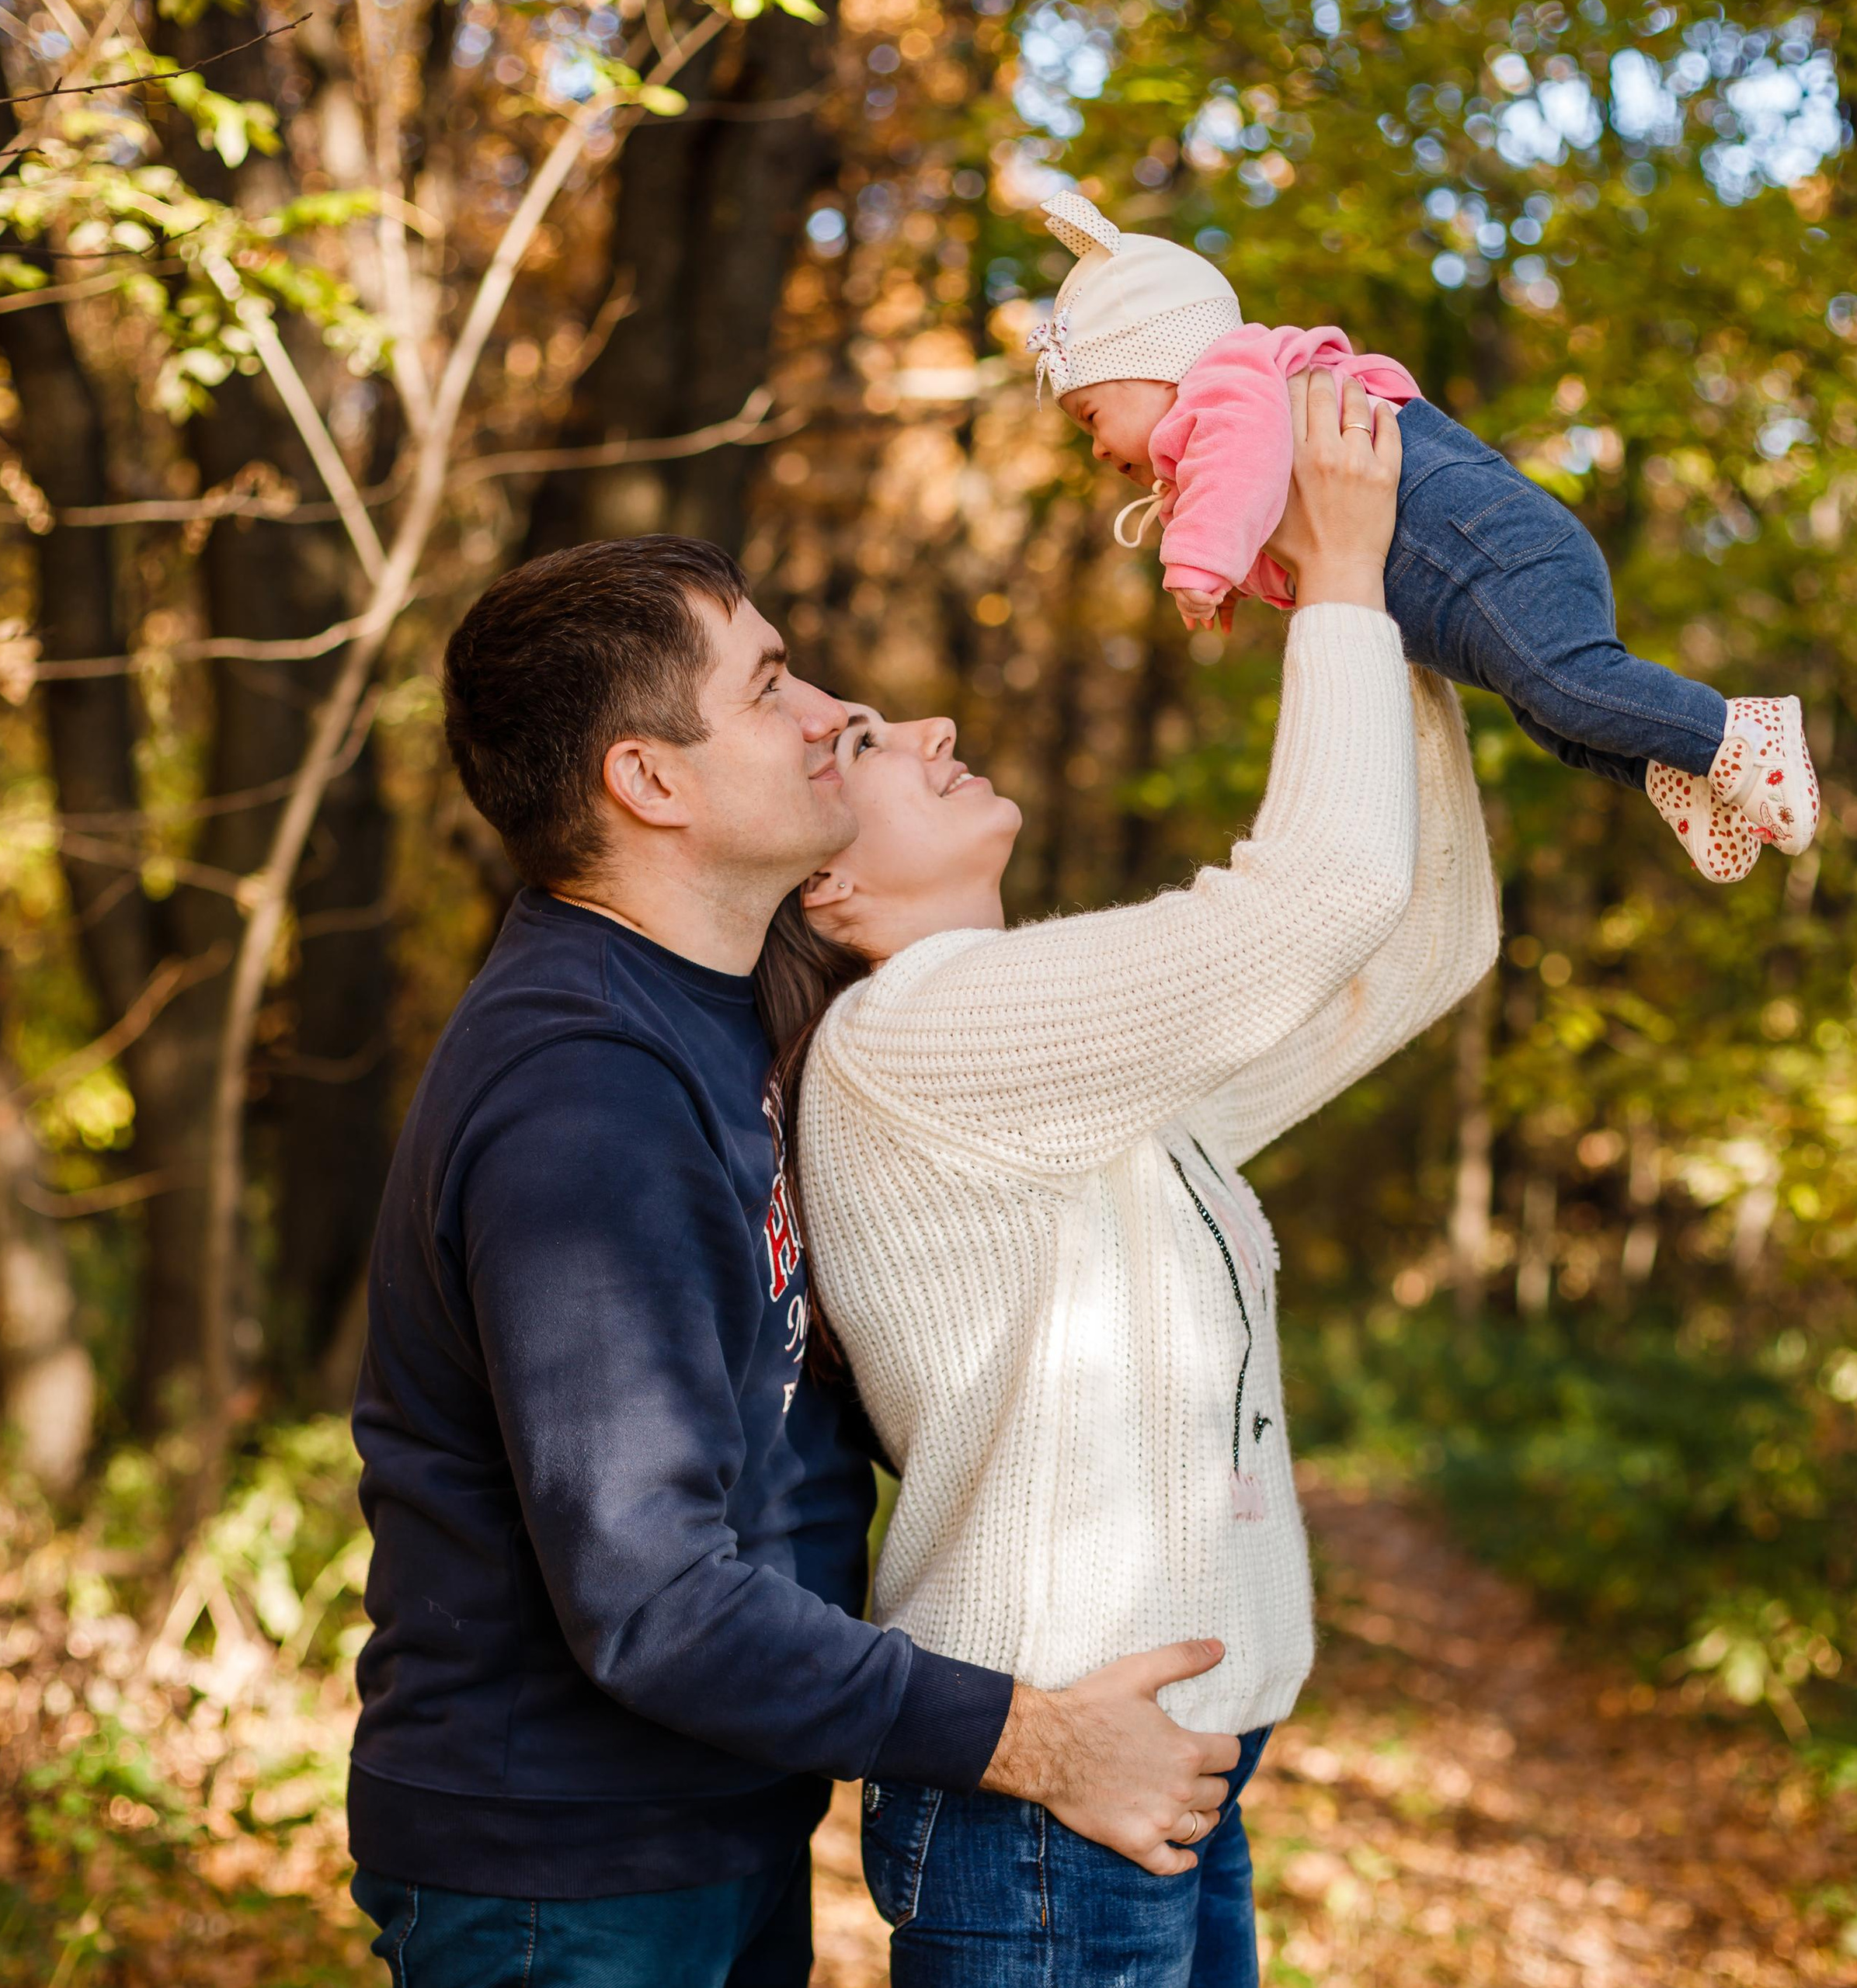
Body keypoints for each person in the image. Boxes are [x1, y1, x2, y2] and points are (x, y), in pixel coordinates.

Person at [346, 535, 1243, 1988]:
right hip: (560, 1878)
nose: (833, 710)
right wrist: (1032, 1737)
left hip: (708, 1825)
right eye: (770, 686)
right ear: (653, 781)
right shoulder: (584, 1093)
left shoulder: (719, 1012)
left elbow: (804, 1442)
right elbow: (650, 1595)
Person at [753, 370, 1500, 1986]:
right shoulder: (919, 1036)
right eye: (872, 741)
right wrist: (1347, 581)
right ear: (823, 883)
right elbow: (1315, 895)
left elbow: (1418, 940)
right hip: (1048, 1792)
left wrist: (1394, 610)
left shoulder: (1058, 1057)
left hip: (1159, 1766)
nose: (935, 726)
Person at [1028, 189, 1817, 885]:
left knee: (1563, 684)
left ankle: (1734, 733)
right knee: (1547, 715)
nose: (1097, 451)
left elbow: (1242, 458)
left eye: (1091, 418)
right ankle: (1677, 766)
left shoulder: (1230, 377)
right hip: (1464, 590)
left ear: (1160, 358)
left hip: (1491, 553)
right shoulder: (1231, 419)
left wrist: (1202, 561)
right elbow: (1250, 489)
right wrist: (1232, 578)